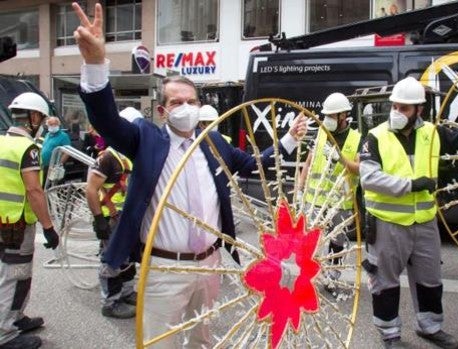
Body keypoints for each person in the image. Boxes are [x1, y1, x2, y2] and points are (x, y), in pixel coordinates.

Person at [72, 3, 307, 347]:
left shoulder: (212, 141)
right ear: (162, 110)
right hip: (164, 269)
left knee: (203, 339)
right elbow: (107, 120)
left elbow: (254, 164)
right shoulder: (146, 139)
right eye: (176, 102)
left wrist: (287, 140)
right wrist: (95, 64)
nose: (185, 108)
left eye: (191, 101)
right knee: (158, 342)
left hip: (210, 265)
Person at [359, 76, 458, 349]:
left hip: (425, 223)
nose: (397, 113)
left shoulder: (433, 133)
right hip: (387, 224)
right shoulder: (375, 136)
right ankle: (389, 333)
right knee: (385, 282)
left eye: (404, 108)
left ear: (418, 110)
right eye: (394, 107)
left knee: (429, 280)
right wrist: (410, 185)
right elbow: (369, 178)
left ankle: (430, 327)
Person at [0, 92, 60, 349]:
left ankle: (15, 317)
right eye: (42, 118)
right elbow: (34, 191)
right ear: (34, 117)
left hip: (3, 220)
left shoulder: (1, 141)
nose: (44, 124)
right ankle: (5, 334)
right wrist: (48, 228)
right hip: (17, 222)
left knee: (10, 272)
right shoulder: (28, 149)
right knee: (15, 274)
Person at [298, 92, 361, 298]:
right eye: (327, 115)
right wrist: (299, 188)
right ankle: (306, 278)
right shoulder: (321, 134)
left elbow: (358, 168)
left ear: (344, 115)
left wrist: (339, 157)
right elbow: (308, 162)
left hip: (340, 204)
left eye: (332, 115)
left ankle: (331, 278)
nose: (328, 119)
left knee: (337, 243)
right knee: (310, 242)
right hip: (314, 200)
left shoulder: (356, 138)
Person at [85, 107, 142, 319]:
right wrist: (99, 219)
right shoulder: (108, 157)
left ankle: (127, 293)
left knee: (127, 257)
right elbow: (90, 189)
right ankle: (110, 302)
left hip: (128, 217)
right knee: (111, 260)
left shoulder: (130, 156)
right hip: (112, 218)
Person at [41, 116, 71, 184]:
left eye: (55, 124)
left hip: (55, 167)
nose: (53, 126)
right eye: (51, 124)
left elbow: (67, 152)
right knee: (45, 185)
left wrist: (58, 164)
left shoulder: (63, 136)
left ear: (58, 124)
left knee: (54, 186)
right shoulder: (47, 135)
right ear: (47, 125)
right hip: (45, 166)